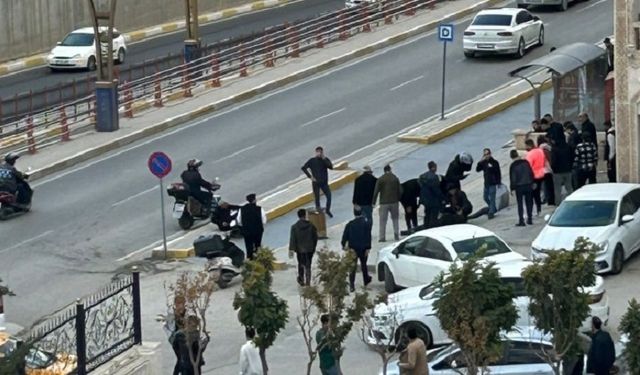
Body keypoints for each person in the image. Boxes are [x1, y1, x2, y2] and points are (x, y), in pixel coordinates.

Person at [341, 208, 372, 292]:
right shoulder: (366, 224)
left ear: (354, 214)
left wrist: (343, 245)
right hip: (363, 248)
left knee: (352, 267)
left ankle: (352, 285)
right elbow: (368, 236)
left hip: (353, 249)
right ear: (361, 213)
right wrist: (368, 248)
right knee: (364, 265)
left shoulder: (350, 224)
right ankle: (366, 281)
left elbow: (345, 236)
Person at [301, 146, 334, 217]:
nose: (319, 153)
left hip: (324, 183)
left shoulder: (325, 160)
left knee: (329, 196)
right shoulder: (312, 160)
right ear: (315, 152)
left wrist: (324, 158)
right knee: (317, 198)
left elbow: (331, 167)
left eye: (321, 152)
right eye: (318, 152)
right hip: (316, 183)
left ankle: (328, 210)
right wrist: (310, 176)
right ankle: (319, 212)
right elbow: (303, 168)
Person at [372, 164, 402, 242]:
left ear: (384, 170)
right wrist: (398, 198)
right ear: (390, 170)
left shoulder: (381, 179)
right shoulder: (395, 178)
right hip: (394, 202)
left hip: (384, 202)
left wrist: (373, 202)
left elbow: (376, 191)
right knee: (395, 219)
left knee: (382, 220)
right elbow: (400, 190)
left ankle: (382, 237)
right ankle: (396, 235)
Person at [289, 209, 318, 286]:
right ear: (305, 215)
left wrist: (291, 250)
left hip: (300, 250)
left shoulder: (294, 227)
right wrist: (314, 247)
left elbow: (292, 239)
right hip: (310, 249)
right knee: (308, 265)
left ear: (298, 216)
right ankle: (308, 280)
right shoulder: (311, 225)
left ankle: (301, 279)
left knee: (301, 264)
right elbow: (315, 237)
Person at [237, 194, 267, 261]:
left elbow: (239, 221)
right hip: (257, 231)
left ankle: (250, 259)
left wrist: (245, 226)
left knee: (248, 246)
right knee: (257, 245)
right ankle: (258, 258)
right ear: (254, 200)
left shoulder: (242, 209)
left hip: (247, 231)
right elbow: (264, 220)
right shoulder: (259, 209)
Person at [509, 149, 535, 226]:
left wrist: (512, 188)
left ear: (511, 157)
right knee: (529, 202)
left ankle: (521, 220)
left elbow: (513, 178)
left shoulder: (513, 165)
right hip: (528, 184)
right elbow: (531, 172)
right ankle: (530, 219)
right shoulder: (526, 162)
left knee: (520, 204)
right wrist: (532, 182)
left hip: (519, 186)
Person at [475, 148, 501, 219]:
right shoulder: (484, 163)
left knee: (492, 198)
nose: (487, 156)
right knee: (485, 197)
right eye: (485, 154)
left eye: (488, 154)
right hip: (486, 183)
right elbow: (477, 170)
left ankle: (491, 212)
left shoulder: (495, 162)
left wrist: (498, 182)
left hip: (493, 183)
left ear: (490, 154)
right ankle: (493, 208)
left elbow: (498, 172)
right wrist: (480, 161)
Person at [418, 161, 444, 229]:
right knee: (434, 217)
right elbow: (436, 190)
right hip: (433, 200)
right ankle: (432, 228)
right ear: (433, 167)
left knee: (427, 215)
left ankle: (426, 227)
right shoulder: (434, 177)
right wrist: (442, 198)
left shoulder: (422, 177)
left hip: (426, 200)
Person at [550, 137, 574, 204]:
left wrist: (553, 168)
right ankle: (571, 201)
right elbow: (572, 157)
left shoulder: (554, 149)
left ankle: (558, 203)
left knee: (557, 189)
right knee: (569, 187)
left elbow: (553, 161)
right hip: (568, 170)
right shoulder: (568, 147)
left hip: (557, 172)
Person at [525, 139, 545, 214]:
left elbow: (528, 166)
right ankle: (539, 208)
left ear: (529, 145)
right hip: (541, 174)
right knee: (538, 193)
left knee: (533, 194)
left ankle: (534, 210)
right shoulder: (540, 151)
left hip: (533, 176)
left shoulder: (530, 154)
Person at [537, 135, 555, 206]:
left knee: (544, 186)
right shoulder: (550, 148)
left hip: (544, 169)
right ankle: (551, 199)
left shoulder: (541, 150)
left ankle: (546, 198)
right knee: (550, 185)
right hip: (550, 169)